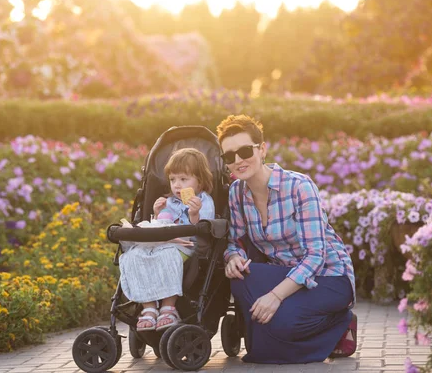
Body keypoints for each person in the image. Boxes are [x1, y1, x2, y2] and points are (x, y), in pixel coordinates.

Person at [216, 114, 357, 364]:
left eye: (245, 150)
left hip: (328, 276)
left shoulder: (299, 186)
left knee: (279, 325)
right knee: (237, 278)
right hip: (284, 274)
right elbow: (234, 242)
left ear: (262, 150)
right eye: (229, 156)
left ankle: (340, 322)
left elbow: (316, 256)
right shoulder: (236, 193)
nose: (238, 160)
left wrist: (275, 296)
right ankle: (273, 335)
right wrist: (233, 257)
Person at [119, 148, 215, 332]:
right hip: (163, 243)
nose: (177, 185)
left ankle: (168, 307)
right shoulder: (170, 201)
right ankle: (148, 308)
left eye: (183, 179)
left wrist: (195, 214)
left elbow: (204, 229)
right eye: (173, 180)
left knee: (167, 256)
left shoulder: (203, 200)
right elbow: (163, 223)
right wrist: (157, 213)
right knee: (135, 254)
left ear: (200, 181)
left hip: (186, 245)